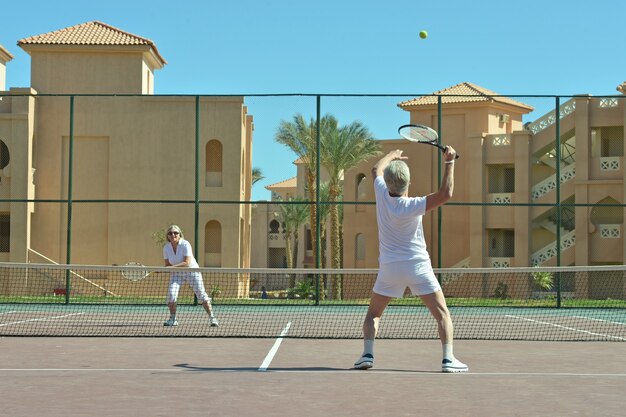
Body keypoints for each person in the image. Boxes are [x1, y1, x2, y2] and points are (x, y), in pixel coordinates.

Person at [354, 148, 468, 373]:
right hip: (418, 266)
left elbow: (376, 168)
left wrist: (392, 155)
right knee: (442, 314)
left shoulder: (380, 193)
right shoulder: (414, 204)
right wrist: (449, 162)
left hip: (390, 268)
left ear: (387, 183)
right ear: (408, 182)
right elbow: (445, 194)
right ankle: (448, 359)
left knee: (373, 314)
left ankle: (367, 354)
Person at [162, 225, 219, 327]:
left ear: (180, 234)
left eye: (175, 233)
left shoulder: (185, 244)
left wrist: (171, 268)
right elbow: (167, 264)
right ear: (168, 236)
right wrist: (165, 269)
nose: (173, 235)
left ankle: (213, 318)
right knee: (171, 294)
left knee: (201, 295)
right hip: (177, 274)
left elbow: (186, 262)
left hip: (191, 271)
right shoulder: (166, 247)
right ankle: (173, 319)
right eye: (170, 233)